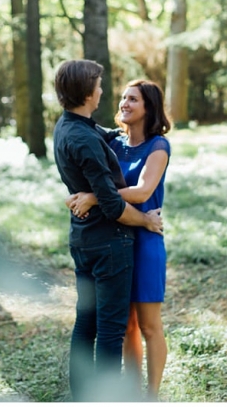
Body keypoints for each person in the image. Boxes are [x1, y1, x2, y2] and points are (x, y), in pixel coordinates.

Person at [52, 60, 164, 402]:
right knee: (111, 331)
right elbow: (113, 205)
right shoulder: (85, 139)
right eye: (99, 86)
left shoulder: (67, 126)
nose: (104, 92)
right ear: (88, 92)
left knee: (85, 323)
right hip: (109, 244)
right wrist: (146, 220)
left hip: (83, 240)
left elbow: (102, 135)